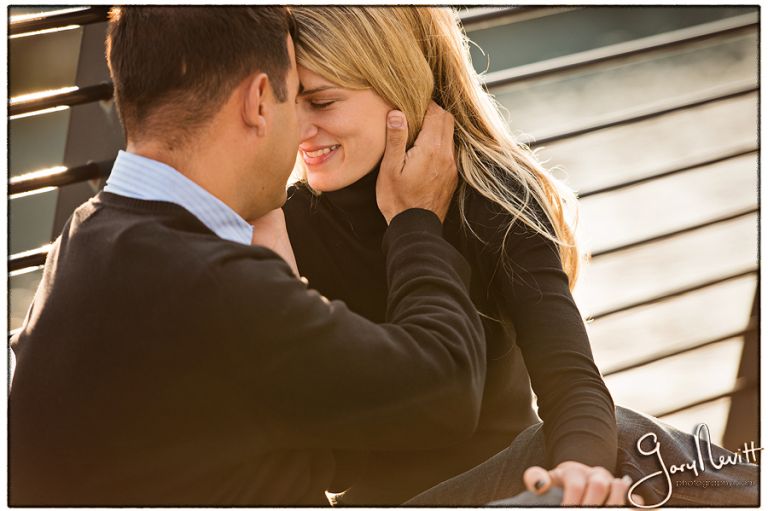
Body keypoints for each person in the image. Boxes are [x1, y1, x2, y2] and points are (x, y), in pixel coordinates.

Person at [8, 7, 488, 505]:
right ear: (259, 100)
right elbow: (448, 387)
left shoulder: (82, 238)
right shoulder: (211, 284)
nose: (302, 128)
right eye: (295, 98)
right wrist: (416, 220)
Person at [282, 6, 759, 506]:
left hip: (520, 483)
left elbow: (572, 382)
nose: (300, 129)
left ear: (395, 85)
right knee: (628, 439)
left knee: (615, 441)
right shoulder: (286, 226)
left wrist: (577, 477)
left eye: (321, 102)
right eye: (288, 102)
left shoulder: (490, 197)